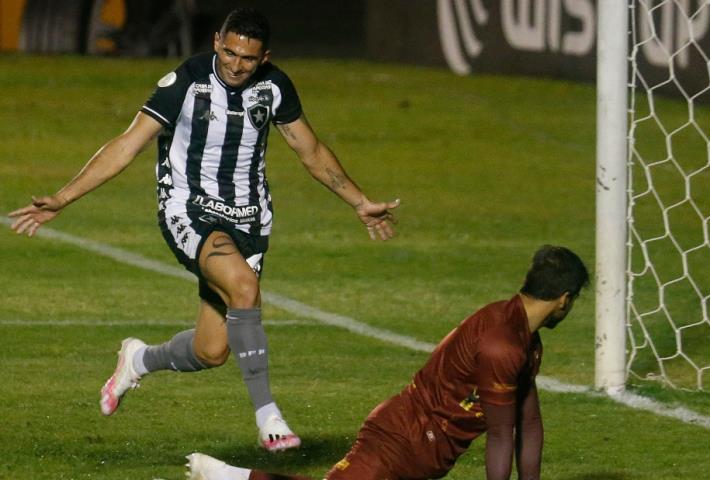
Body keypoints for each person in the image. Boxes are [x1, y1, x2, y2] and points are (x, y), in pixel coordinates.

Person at [6, 8, 399, 452]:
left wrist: (360, 202)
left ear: (263, 57)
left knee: (212, 351)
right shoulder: (187, 82)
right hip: (188, 209)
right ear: (216, 42)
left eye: (247, 59)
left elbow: (310, 150)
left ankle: (137, 359)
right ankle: (268, 415)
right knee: (244, 287)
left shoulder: (274, 87)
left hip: (249, 218)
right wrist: (63, 196)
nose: (235, 64)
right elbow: (127, 144)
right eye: (229, 52)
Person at [184, 245, 589, 480]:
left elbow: (529, 422)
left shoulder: (525, 341)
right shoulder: (504, 343)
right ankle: (226, 475)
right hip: (401, 440)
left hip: (427, 455)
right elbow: (502, 436)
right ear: (564, 299)